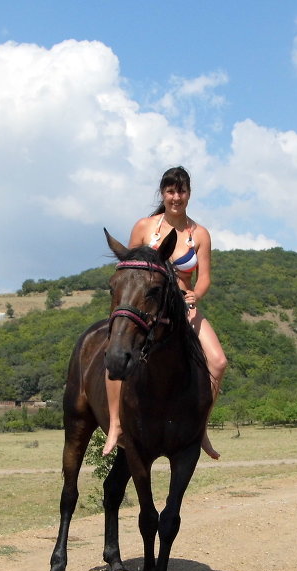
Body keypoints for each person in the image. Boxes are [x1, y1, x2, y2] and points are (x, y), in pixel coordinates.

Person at [102, 166, 228, 459]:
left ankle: (201, 428)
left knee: (219, 362)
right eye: (171, 191)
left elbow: (205, 276)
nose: (176, 197)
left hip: (183, 304)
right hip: (145, 304)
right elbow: (128, 266)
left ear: (189, 194)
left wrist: (197, 293)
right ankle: (115, 425)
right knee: (117, 353)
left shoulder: (200, 234)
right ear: (163, 193)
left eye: (181, 191)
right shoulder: (145, 227)